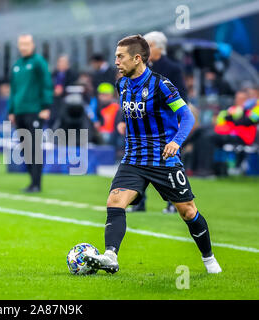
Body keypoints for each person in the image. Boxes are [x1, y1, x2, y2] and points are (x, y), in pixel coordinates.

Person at [83, 35, 222, 274]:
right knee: (114, 202)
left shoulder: (161, 85)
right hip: (134, 158)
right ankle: (110, 256)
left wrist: (177, 142)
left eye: (120, 57)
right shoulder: (122, 84)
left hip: (163, 159)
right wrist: (124, 123)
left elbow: (187, 116)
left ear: (137, 59)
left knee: (187, 211)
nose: (116, 61)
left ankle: (209, 260)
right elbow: (132, 112)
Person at [127, 31, 189, 213]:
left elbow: (181, 96)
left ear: (157, 47)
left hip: (165, 126)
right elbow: (129, 95)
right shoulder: (140, 67)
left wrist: (179, 121)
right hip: (141, 125)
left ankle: (174, 201)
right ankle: (139, 202)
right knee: (139, 161)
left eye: (147, 45)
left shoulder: (172, 68)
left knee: (170, 161)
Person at [8, 34, 53, 193]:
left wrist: (46, 107)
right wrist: (11, 110)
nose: (23, 47)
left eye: (26, 44)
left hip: (35, 111)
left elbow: (46, 84)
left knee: (34, 147)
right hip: (19, 112)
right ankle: (31, 181)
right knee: (24, 148)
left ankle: (36, 183)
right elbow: (13, 90)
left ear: (32, 45)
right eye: (21, 44)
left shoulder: (38, 62)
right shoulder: (17, 65)